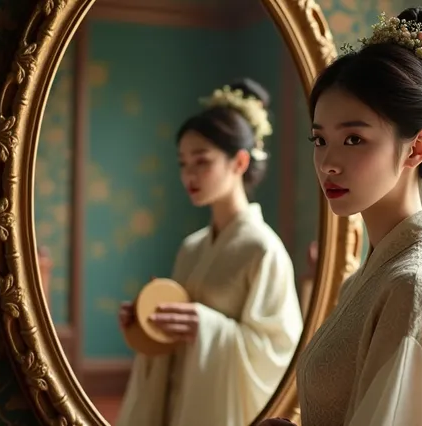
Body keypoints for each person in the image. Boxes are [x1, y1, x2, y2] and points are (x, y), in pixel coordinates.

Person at [260, 7, 422, 426]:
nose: (327, 163)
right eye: (319, 139)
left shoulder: (415, 287)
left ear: (416, 148)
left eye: (354, 138)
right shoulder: (376, 274)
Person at [116, 79, 304, 426]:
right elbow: (174, 336)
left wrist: (207, 325)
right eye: (183, 163)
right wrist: (147, 322)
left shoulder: (263, 249)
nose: (189, 174)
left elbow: (278, 352)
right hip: (176, 404)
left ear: (239, 162)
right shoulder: (192, 247)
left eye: (201, 161)